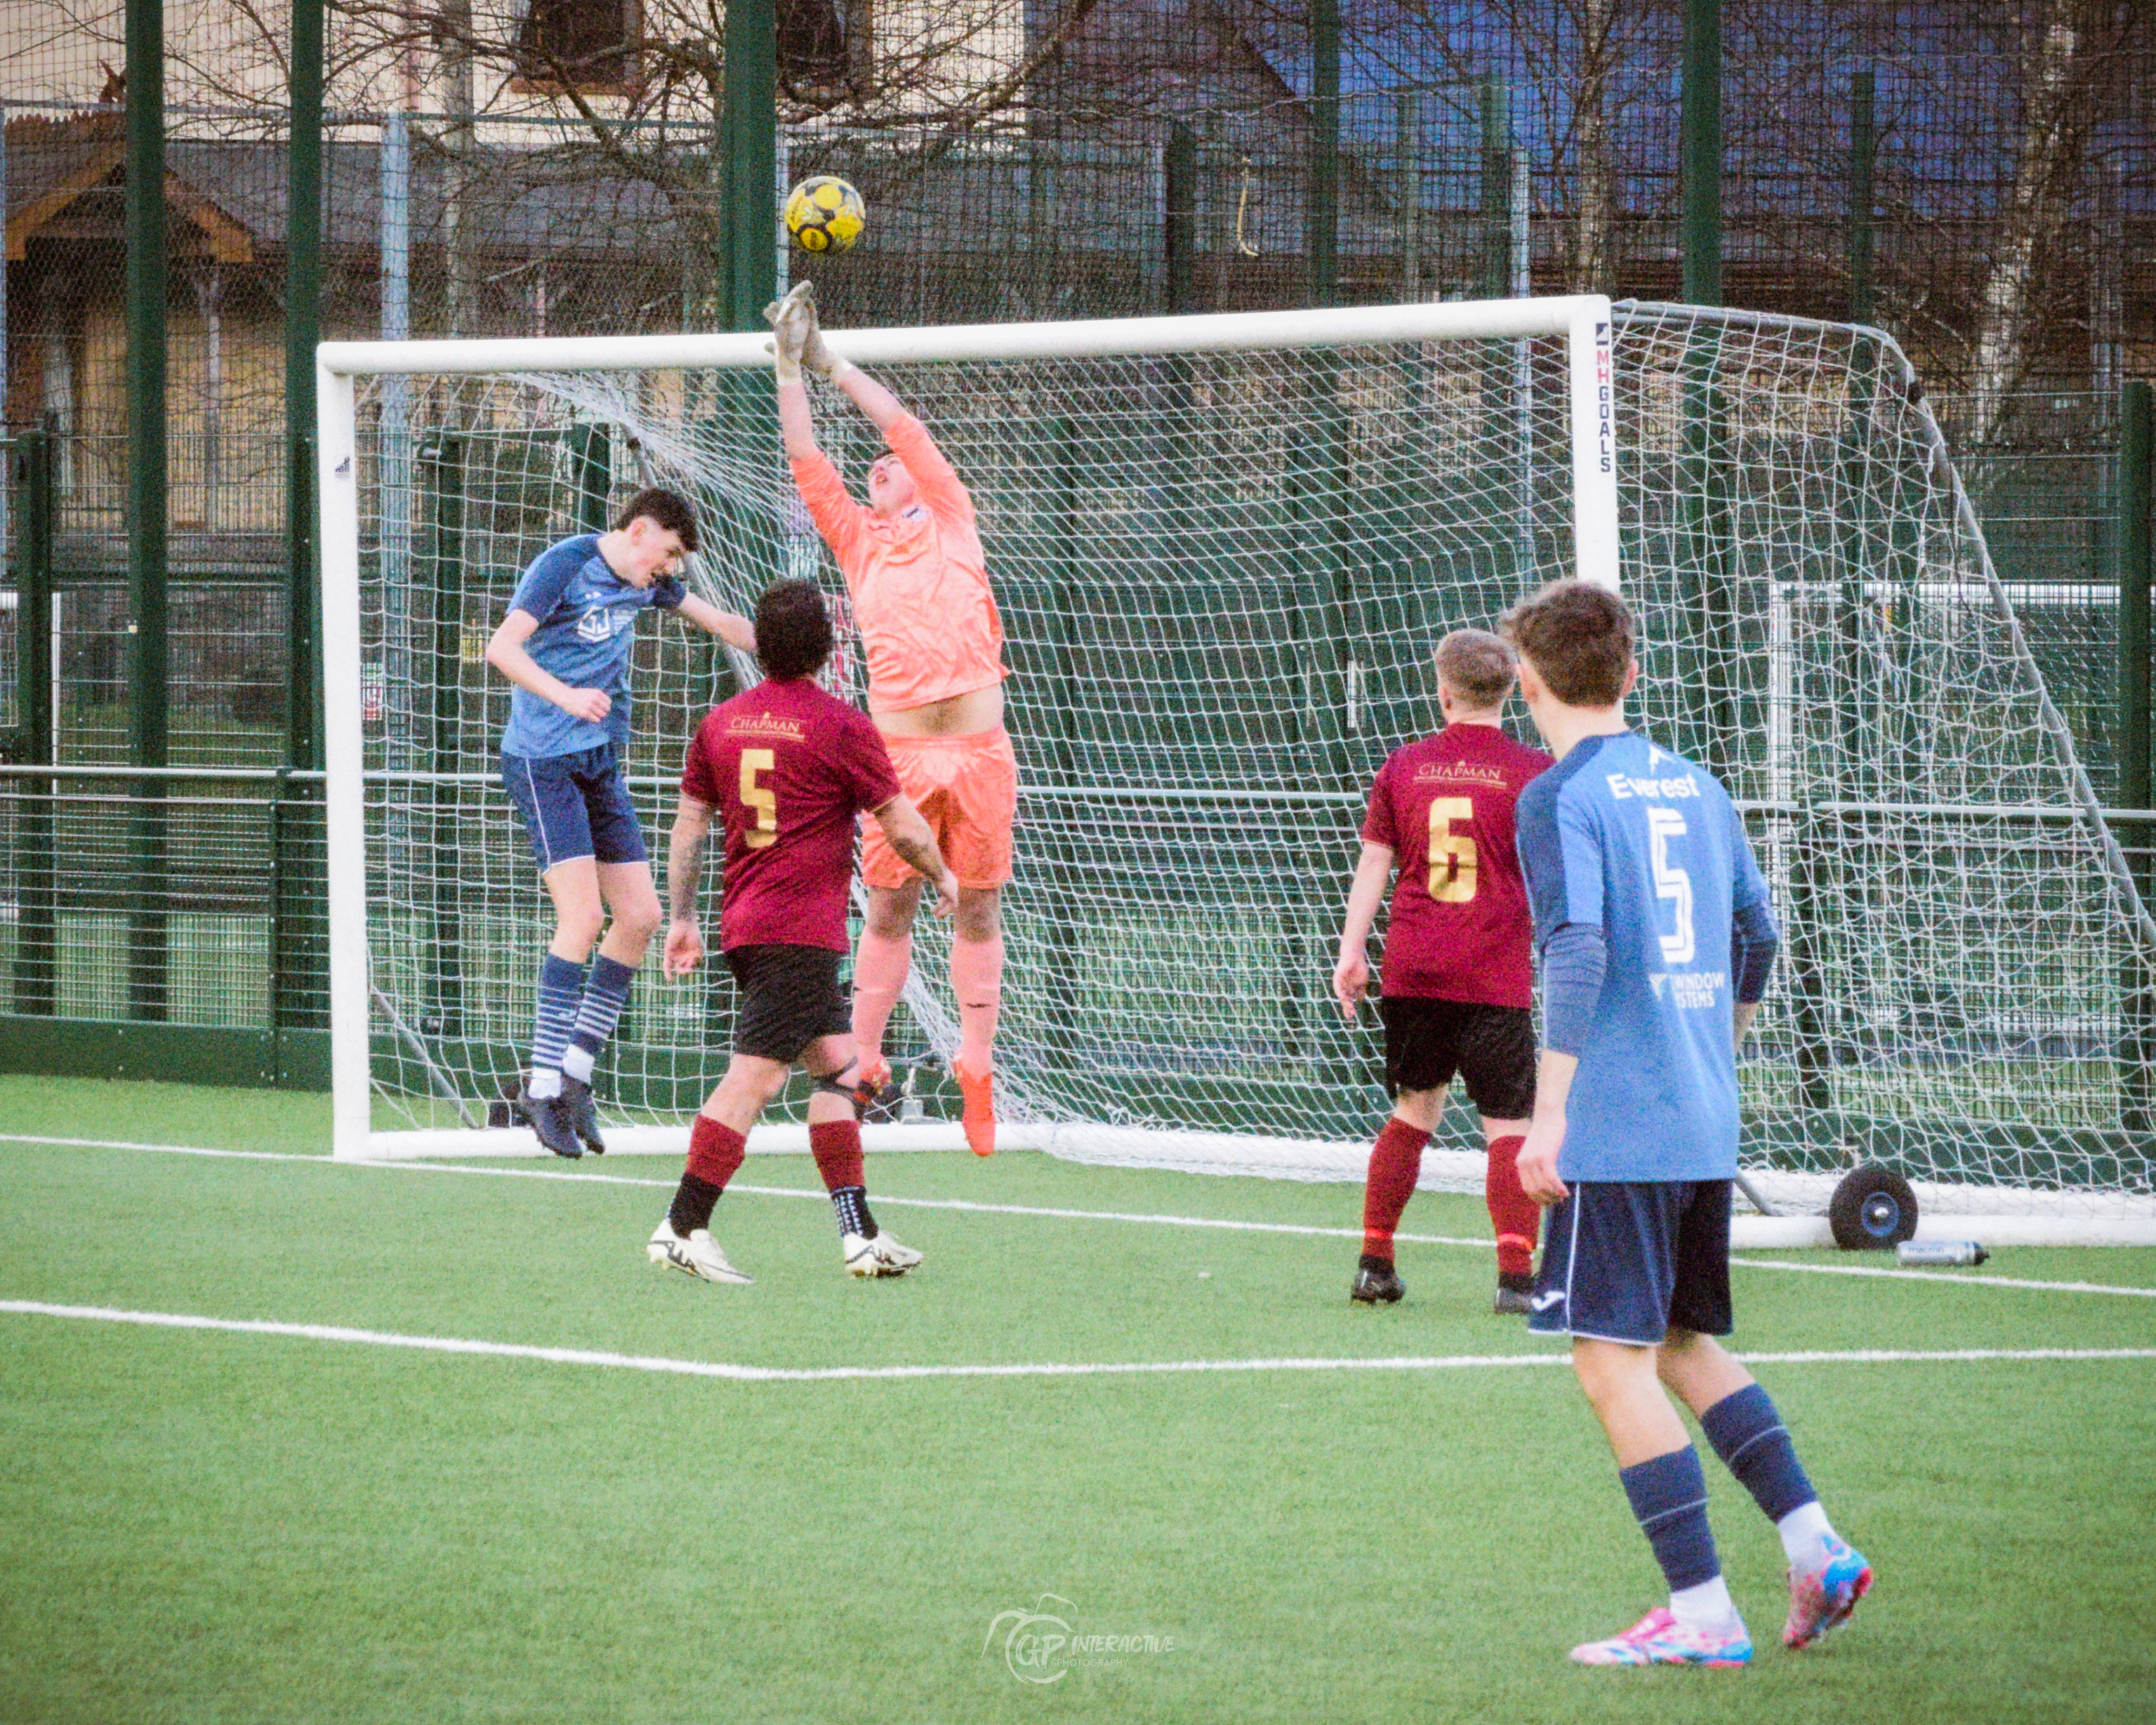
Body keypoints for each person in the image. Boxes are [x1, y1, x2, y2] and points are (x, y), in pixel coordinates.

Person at [1505, 579, 1871, 1667]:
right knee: (1680, 1343)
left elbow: (1573, 949)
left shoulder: (1555, 796)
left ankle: (1702, 1613)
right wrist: (1712, 1038)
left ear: (1525, 679)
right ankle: (1815, 1546)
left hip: (1615, 1126)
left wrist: (1547, 1114)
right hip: (1701, 1115)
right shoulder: (1700, 787)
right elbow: (1755, 938)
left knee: (1607, 1361)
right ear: (1628, 674)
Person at [648, 579, 960, 1285]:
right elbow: (902, 824)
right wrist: (942, 875)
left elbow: (689, 826)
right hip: (799, 930)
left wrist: (685, 918)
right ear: (828, 644)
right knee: (752, 1080)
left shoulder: (720, 722)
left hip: (747, 926)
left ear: (759, 643)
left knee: (843, 1072)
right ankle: (683, 1224)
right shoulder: (840, 726)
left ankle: (859, 1235)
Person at [764, 280, 1014, 1156]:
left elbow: (899, 425)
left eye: (886, 463)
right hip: (899, 758)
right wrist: (790, 370)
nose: (877, 467)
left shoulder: (951, 518)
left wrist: (831, 363)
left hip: (979, 751)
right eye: (868, 470)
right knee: (891, 908)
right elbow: (805, 463)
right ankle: (863, 1060)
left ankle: (975, 1064)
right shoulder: (859, 542)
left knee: (976, 908)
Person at [486, 488, 757, 1159]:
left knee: (639, 918)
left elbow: (720, 622)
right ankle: (540, 1086)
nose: (667, 567)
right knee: (580, 920)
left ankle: (575, 1077)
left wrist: (792, 645)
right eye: (665, 552)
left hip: (599, 763)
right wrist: (568, 695)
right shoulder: (565, 564)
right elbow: (502, 649)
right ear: (638, 532)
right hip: (543, 763)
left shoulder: (649, 583)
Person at [1333, 630, 1551, 1314]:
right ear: (1512, 690)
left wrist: (1350, 950)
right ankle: (1515, 1279)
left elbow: (1373, 862)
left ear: (1442, 691)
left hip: (1414, 969)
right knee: (1508, 1128)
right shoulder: (1532, 772)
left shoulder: (1403, 765)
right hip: (1491, 972)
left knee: (1412, 1113)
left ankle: (1374, 1264)